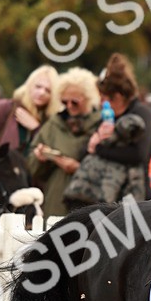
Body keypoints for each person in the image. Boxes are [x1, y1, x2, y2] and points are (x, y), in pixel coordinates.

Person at [27, 68, 101, 218]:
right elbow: (31, 168)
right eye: (64, 102)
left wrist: (78, 168)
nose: (69, 106)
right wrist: (40, 157)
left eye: (75, 102)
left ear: (89, 99)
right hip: (55, 201)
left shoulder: (102, 126)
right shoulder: (54, 124)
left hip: (90, 204)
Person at [84, 53, 151, 202]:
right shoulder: (107, 117)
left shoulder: (142, 114)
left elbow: (138, 154)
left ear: (117, 96)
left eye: (103, 98)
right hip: (107, 193)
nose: (101, 103)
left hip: (136, 195)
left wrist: (99, 149)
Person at [0, 65, 61, 154]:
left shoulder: (53, 120)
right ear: (29, 85)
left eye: (48, 90)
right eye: (38, 86)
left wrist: (36, 129)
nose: (42, 93)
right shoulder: (4, 108)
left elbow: (55, 153)